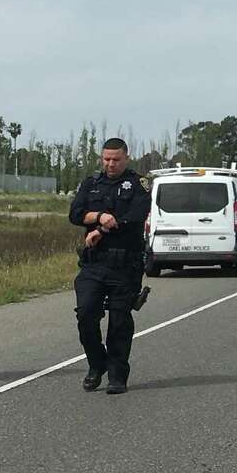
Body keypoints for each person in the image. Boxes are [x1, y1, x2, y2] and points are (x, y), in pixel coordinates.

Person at [69, 138, 152, 394]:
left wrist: (101, 228)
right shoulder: (91, 183)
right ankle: (97, 364)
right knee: (85, 314)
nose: (111, 164)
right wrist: (98, 216)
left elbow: (135, 216)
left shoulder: (138, 184)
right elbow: (75, 213)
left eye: (116, 159)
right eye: (106, 159)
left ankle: (117, 375)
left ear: (126, 158)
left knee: (118, 321)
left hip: (125, 264)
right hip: (94, 263)